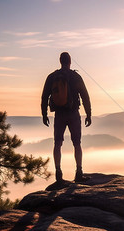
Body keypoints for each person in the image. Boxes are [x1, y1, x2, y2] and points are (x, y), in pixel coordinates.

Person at [41, 52, 92, 182]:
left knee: (57, 143)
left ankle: (58, 173)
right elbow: (85, 96)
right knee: (77, 143)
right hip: (74, 113)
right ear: (70, 62)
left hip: (59, 114)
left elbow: (44, 96)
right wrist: (89, 114)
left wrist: (44, 114)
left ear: (60, 61)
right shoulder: (75, 76)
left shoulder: (52, 77)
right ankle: (79, 172)